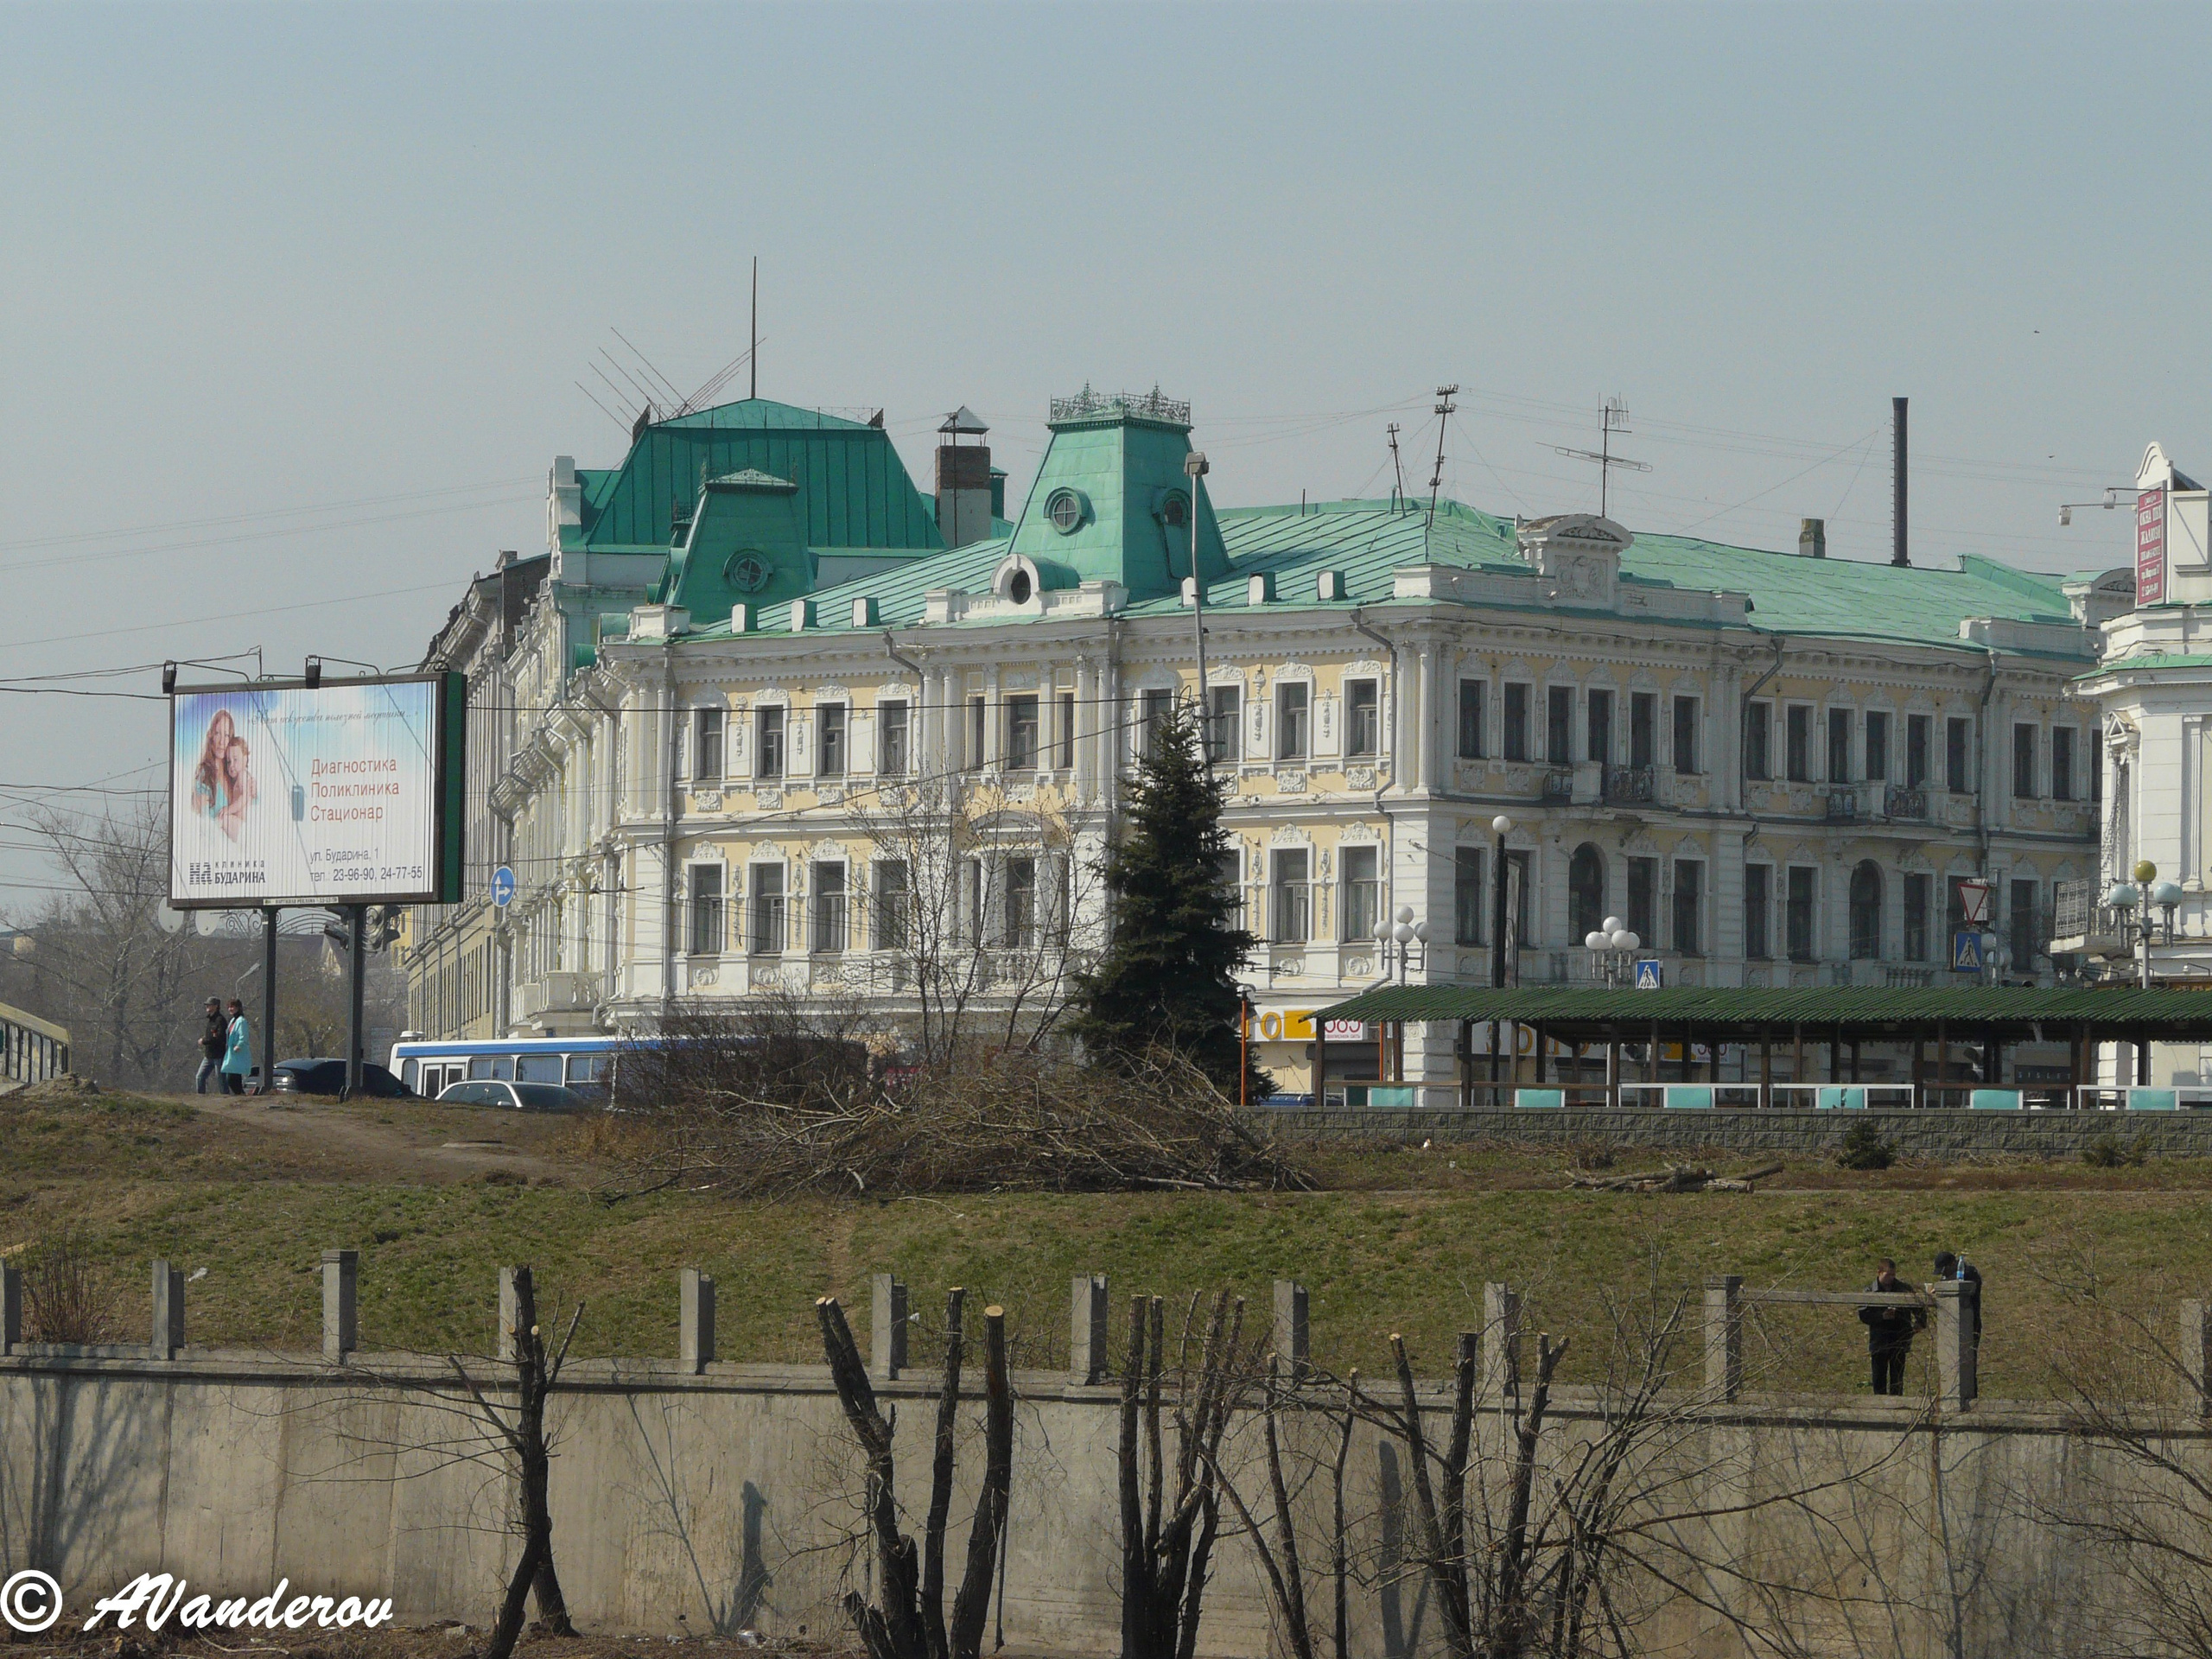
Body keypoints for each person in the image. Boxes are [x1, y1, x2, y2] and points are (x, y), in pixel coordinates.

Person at [1859, 1258, 1926, 1396]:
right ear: (1879, 1272)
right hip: (1879, 1341)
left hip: (1900, 1339)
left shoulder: (1904, 1288)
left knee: (1897, 1380)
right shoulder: (1869, 1291)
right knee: (1879, 1379)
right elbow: (1863, 1315)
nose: (1891, 1278)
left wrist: (1920, 1323)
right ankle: (1880, 1407)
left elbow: (1919, 1308)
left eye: (1893, 1275)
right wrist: (1881, 1316)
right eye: (1888, 1274)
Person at [192, 709, 238, 821]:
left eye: (226, 735)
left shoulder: (234, 774)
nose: (222, 741)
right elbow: (202, 821)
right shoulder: (205, 774)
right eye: (218, 733)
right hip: (213, 837)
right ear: (211, 736)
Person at [1934, 1250, 1983, 1350]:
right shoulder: (1947, 1277)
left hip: (1970, 1321)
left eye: (1944, 1270)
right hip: (1950, 1322)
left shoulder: (1969, 1272)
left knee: (1969, 1357)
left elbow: (1963, 1279)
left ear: (1953, 1264)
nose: (1944, 1274)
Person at [218, 735, 257, 843]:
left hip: (242, 825)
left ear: (245, 758)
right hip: (241, 825)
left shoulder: (243, 776)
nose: (231, 765)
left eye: (235, 759)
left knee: (221, 820)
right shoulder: (239, 779)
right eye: (228, 762)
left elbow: (244, 798)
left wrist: (229, 810)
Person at [219, 997, 254, 1096]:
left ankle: (240, 1095)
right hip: (231, 1052)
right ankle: (240, 1095)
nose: (231, 1009)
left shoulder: (241, 1021)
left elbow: (243, 1036)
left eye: (233, 1007)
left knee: (232, 1078)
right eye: (229, 1007)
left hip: (238, 1052)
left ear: (238, 1008)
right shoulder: (233, 1020)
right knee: (233, 1076)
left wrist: (239, 1045)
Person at [194, 997, 226, 1094]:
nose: (207, 1007)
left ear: (216, 1006)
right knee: (200, 1077)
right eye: (207, 1005)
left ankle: (226, 1098)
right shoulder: (211, 1020)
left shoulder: (220, 1020)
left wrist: (204, 1041)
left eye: (210, 1005)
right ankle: (201, 1098)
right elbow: (211, 1035)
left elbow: (219, 1038)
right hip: (208, 1056)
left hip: (218, 1056)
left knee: (221, 1080)